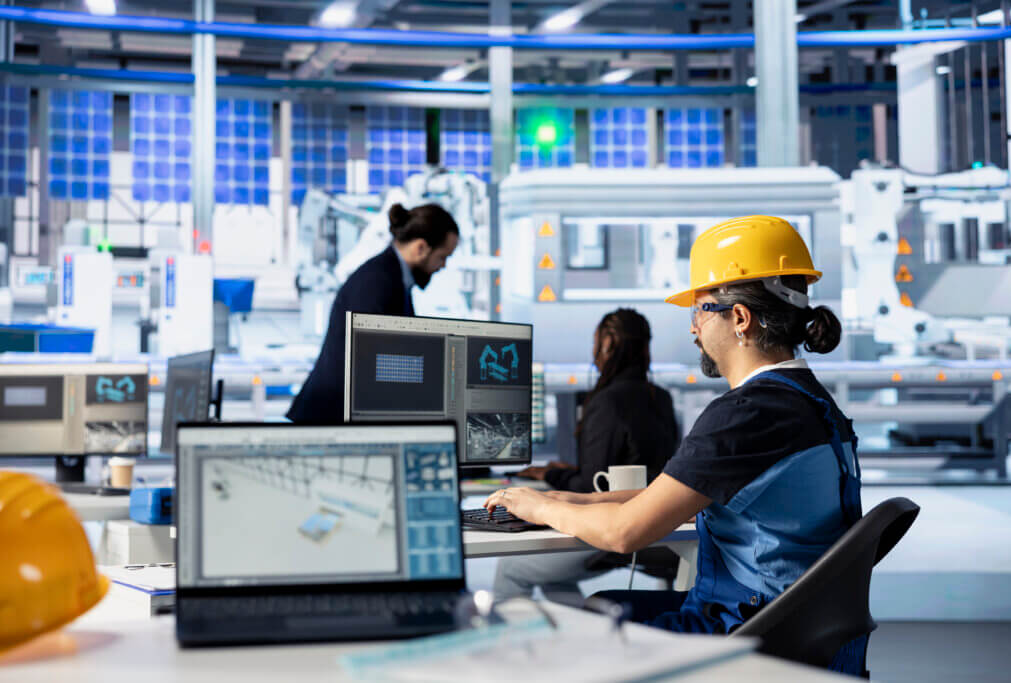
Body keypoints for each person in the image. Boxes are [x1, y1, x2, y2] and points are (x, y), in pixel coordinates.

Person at [484, 216, 867, 675]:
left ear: (739, 319)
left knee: (585, 625)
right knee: (603, 604)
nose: (693, 330)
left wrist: (540, 509)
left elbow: (624, 533)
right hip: (805, 635)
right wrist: (573, 497)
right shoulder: (810, 403)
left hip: (743, 632)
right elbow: (679, 492)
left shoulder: (746, 414)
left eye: (699, 311)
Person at [493, 308, 680, 602]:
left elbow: (590, 486)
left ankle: (508, 646)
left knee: (511, 569)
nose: (594, 355)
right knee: (552, 576)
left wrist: (551, 474)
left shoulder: (607, 401)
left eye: (596, 345)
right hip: (659, 529)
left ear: (607, 345)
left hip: (612, 528)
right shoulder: (662, 398)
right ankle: (582, 637)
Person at [287, 203, 459, 424]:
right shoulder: (377, 282)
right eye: (443, 256)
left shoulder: (394, 279)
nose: (442, 266)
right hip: (330, 420)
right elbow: (378, 363)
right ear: (420, 248)